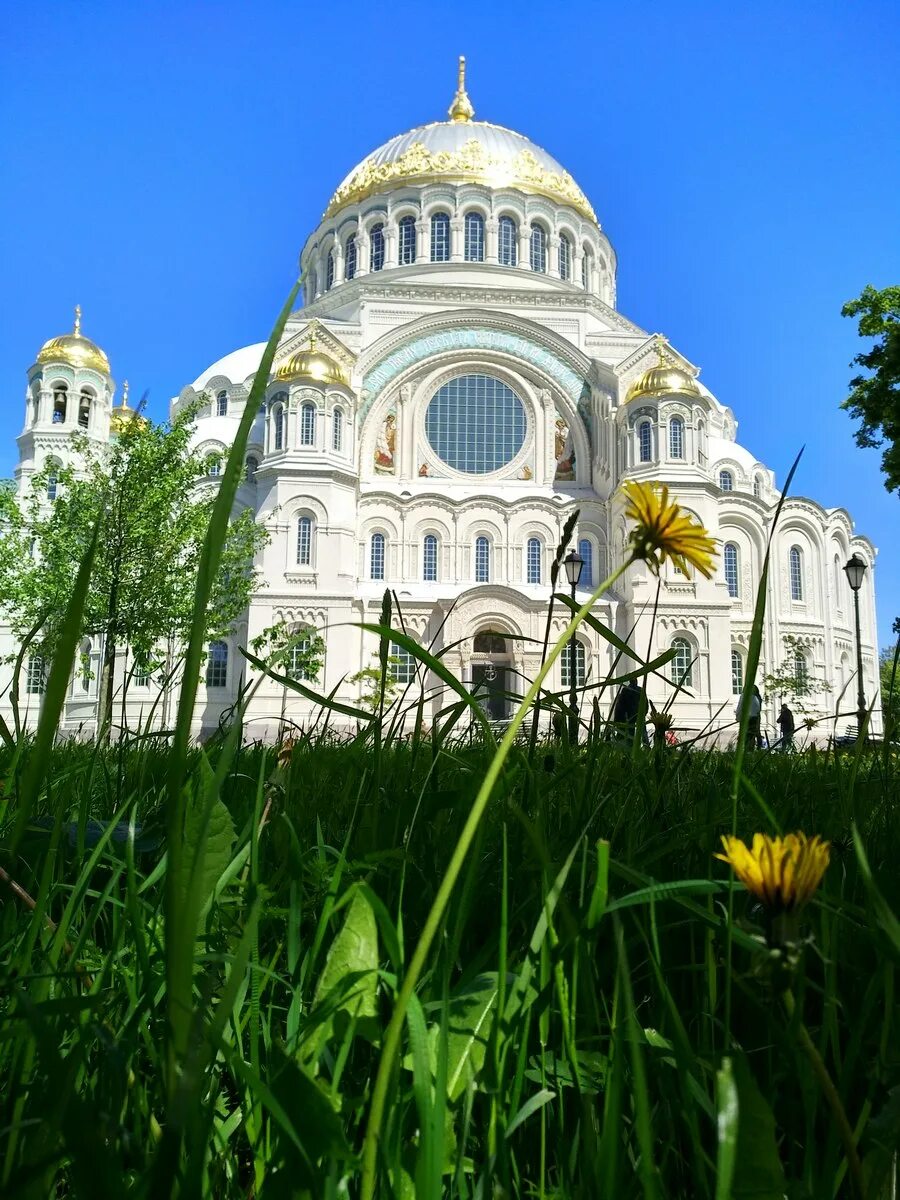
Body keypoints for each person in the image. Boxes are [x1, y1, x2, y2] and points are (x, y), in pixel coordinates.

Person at [611, 678, 648, 744]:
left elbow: (621, 704)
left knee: (630, 732)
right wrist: (644, 713)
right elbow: (646, 703)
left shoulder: (625, 690)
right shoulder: (641, 690)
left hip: (628, 715)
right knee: (642, 731)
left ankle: (630, 747)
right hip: (638, 714)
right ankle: (646, 745)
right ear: (636, 681)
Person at [735, 685, 762, 749]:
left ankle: (746, 749)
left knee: (745, 734)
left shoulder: (743, 696)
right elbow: (758, 709)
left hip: (745, 718)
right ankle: (752, 748)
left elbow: (740, 707)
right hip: (754, 718)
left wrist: (738, 717)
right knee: (752, 734)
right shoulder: (757, 697)